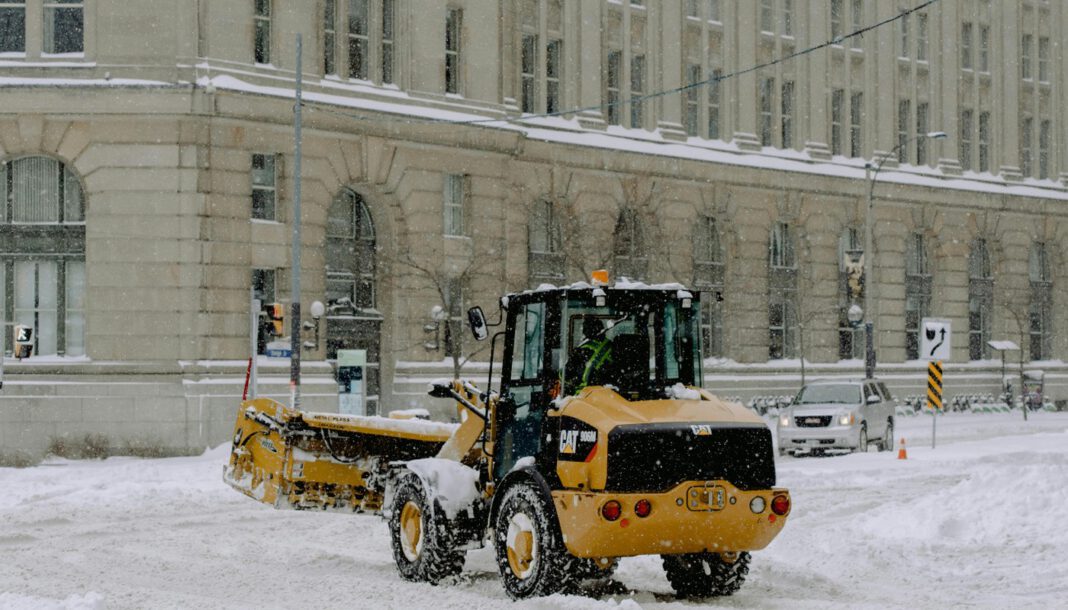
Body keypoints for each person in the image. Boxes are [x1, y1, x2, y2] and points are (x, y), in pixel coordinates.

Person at [564, 317, 613, 394]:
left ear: (585, 332)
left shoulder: (580, 351)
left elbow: (565, 375)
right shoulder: (612, 347)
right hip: (611, 396)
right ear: (602, 330)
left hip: (584, 398)